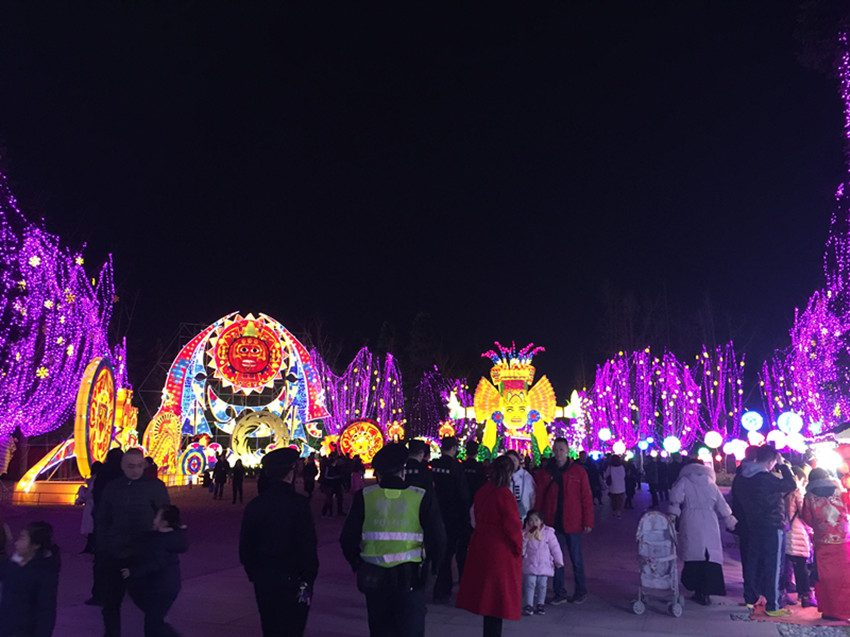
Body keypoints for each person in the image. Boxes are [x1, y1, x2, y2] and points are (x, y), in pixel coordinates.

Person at [340, 443, 445, 637]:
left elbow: (347, 539)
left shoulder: (364, 497)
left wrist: (358, 564)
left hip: (374, 578)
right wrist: (432, 569)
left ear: (378, 474)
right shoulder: (421, 497)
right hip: (410, 578)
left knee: (380, 630)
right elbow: (438, 539)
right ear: (403, 471)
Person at [240, 448, 319, 637]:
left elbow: (245, 548)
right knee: (293, 628)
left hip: (265, 579)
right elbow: (308, 546)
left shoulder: (255, 505)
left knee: (270, 627)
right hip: (294, 579)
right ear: (290, 473)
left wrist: (255, 574)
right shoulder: (299, 505)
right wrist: (308, 579)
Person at [96, 447, 171, 637]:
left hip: (143, 553)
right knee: (111, 602)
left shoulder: (155, 487)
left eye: (139, 466)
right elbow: (102, 518)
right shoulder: (113, 488)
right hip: (115, 553)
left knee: (148, 603)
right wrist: (105, 545)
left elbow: (165, 517)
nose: (135, 470)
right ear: (122, 465)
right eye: (130, 466)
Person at [456, 455, 522, 637]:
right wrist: (519, 548)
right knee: (497, 601)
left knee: (487, 599)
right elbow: (512, 526)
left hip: (482, 544)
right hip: (500, 549)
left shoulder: (484, 490)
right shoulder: (505, 495)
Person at [730, 445, 795, 617]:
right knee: (774, 565)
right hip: (772, 525)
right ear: (772, 460)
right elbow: (791, 485)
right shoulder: (765, 478)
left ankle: (750, 598)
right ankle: (774, 605)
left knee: (752, 563)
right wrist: (783, 466)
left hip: (752, 525)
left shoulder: (742, 477)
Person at [668, 457, 737, 605]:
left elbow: (675, 499)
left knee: (693, 553)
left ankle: (695, 588)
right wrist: (730, 520)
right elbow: (722, 504)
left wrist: (672, 517)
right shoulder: (711, 484)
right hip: (710, 520)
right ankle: (707, 590)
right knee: (709, 555)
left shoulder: (684, 481)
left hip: (691, 519)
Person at [534, 438, 593, 605]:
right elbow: (539, 497)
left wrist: (588, 521)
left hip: (573, 522)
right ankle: (559, 592)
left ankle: (580, 591)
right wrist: (537, 520)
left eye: (562, 449)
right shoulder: (546, 473)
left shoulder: (578, 472)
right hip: (553, 522)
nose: (559, 453)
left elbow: (586, 497)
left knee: (576, 558)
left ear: (567, 451)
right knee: (556, 559)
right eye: (556, 449)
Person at [121, 505, 188, 637]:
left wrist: (133, 572)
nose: (153, 519)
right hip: (168, 586)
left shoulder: (159, 541)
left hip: (159, 587)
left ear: (164, 522)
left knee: (153, 624)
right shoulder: (173, 537)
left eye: (157, 517)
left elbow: (155, 563)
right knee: (155, 621)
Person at [800, 467, 850, 620]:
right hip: (843, 541)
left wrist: (818, 526)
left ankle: (829, 610)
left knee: (825, 577)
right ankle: (844, 610)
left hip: (822, 542)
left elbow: (806, 517)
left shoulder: (809, 497)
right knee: (844, 576)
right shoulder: (840, 493)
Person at [0, 521, 60, 637]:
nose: (16, 543)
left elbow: (47, 610)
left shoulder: (43, 572)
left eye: (22, 538)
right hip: (6, 627)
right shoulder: (14, 561)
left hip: (24, 630)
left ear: (36, 545)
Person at [430, 436, 471, 603]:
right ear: (454, 448)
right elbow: (463, 493)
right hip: (453, 515)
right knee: (451, 552)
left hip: (435, 512)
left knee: (441, 552)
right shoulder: (456, 467)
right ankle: (448, 588)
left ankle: (440, 588)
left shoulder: (433, 466)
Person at [521, 509, 563, 616]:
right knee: (530, 584)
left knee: (542, 586)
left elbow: (555, 548)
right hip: (530, 564)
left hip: (544, 565)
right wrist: (526, 537)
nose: (534, 523)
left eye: (536, 520)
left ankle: (540, 604)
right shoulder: (525, 533)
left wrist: (558, 560)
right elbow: (521, 547)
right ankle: (529, 605)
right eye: (531, 520)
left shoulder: (548, 533)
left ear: (541, 521)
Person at [784, 466, 815, 608]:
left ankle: (782, 594)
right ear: (797, 478)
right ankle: (805, 596)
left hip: (784, 531)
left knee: (785, 565)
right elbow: (805, 513)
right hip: (796, 531)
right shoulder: (797, 492)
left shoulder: (782, 491)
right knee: (801, 566)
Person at [76, 460, 101, 553]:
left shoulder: (94, 480)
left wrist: (82, 494)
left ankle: (91, 547)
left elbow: (89, 493)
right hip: (93, 504)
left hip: (91, 505)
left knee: (91, 527)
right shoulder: (97, 479)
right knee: (92, 527)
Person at [506, 450, 535, 520]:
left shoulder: (526, 477)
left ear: (518, 461)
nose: (512, 463)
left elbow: (532, 496)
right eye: (509, 461)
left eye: (514, 460)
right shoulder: (502, 477)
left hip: (524, 515)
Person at [320, 452, 345, 517]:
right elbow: (325, 476)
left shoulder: (339, 467)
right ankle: (326, 512)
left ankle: (339, 511)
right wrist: (334, 477)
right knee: (329, 499)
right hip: (330, 484)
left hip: (337, 484)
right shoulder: (328, 466)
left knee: (339, 498)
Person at [603, 455, 626, 519]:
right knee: (620, 500)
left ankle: (614, 511)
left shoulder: (610, 467)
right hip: (621, 486)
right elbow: (624, 475)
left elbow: (606, 475)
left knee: (613, 500)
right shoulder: (621, 467)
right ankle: (619, 512)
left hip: (613, 486)